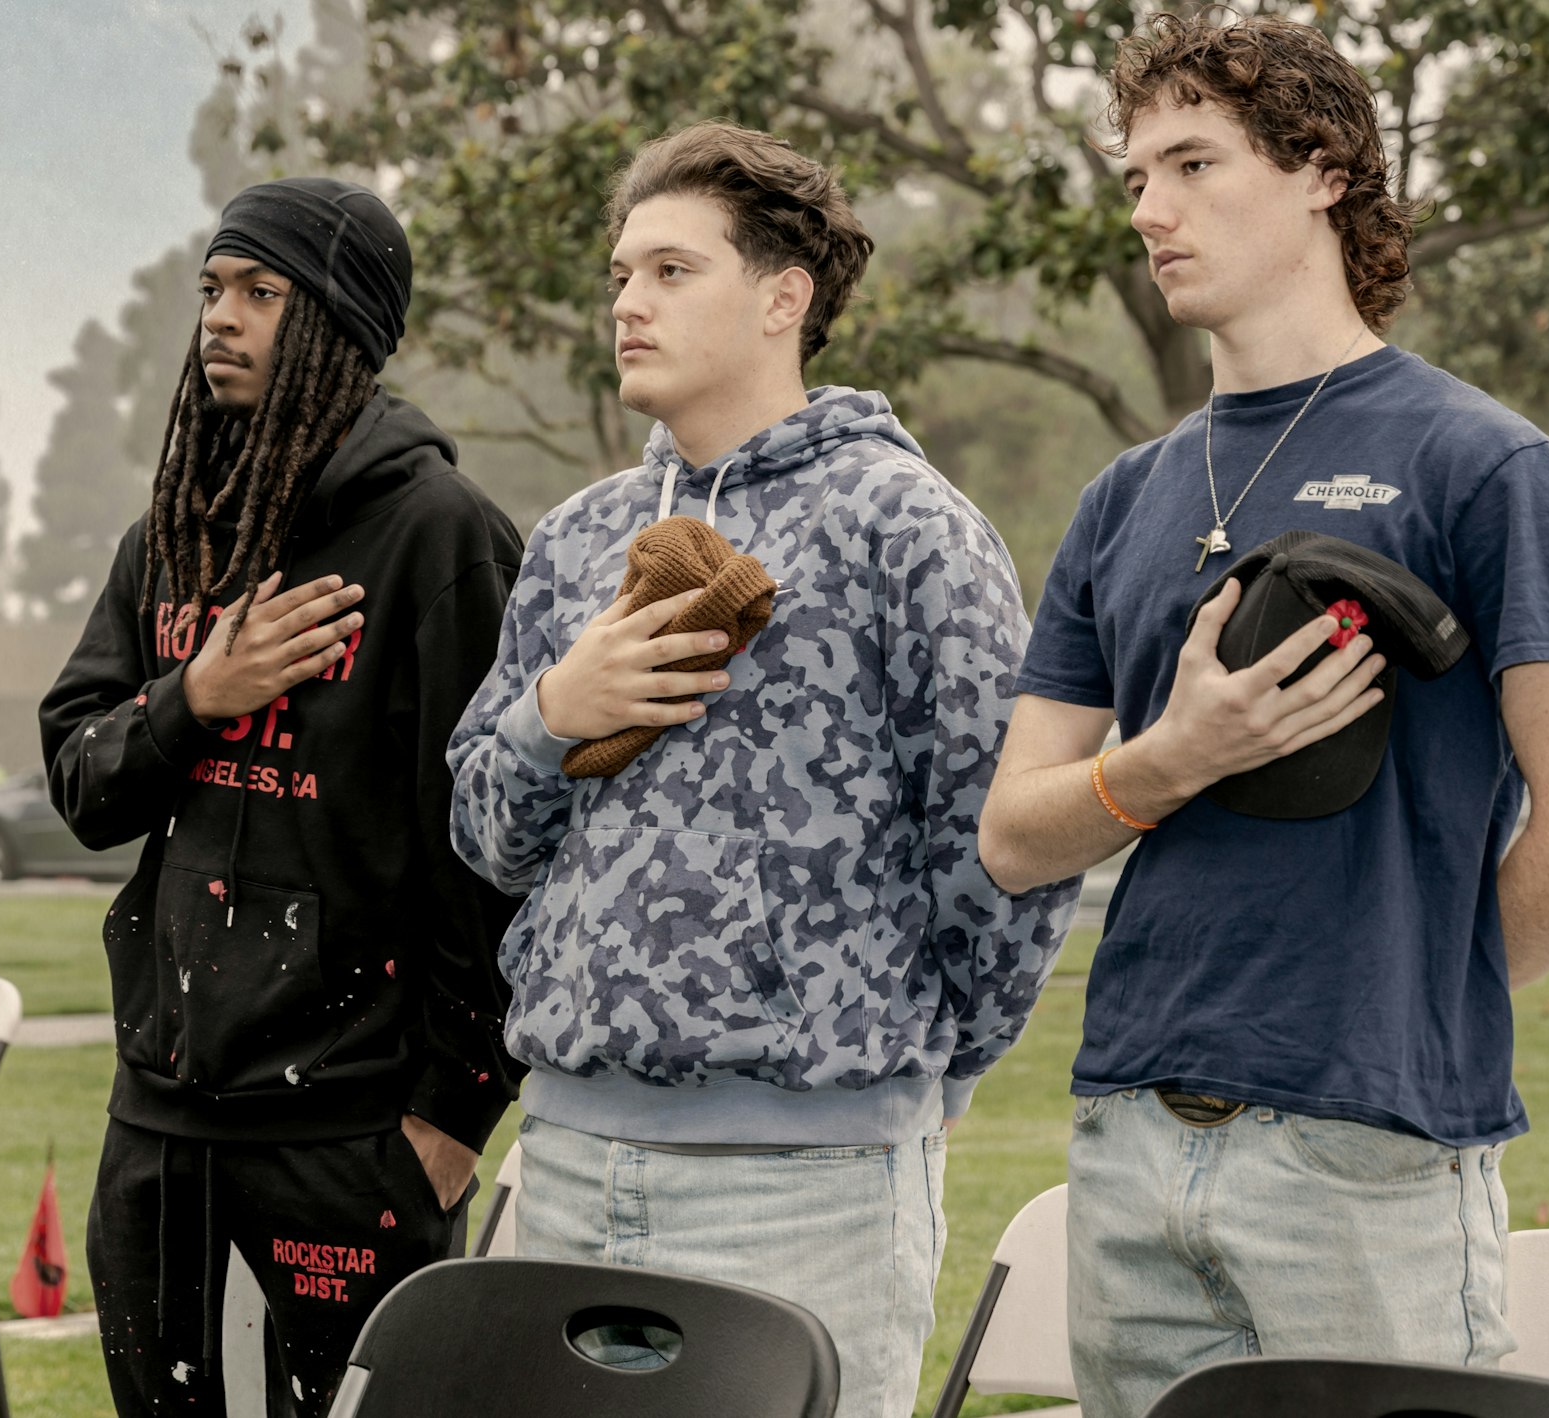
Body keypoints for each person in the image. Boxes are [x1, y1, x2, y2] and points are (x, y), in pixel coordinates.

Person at [975, 15, 1549, 1417]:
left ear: (1323, 170)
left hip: (1368, 1156)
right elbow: (1012, 835)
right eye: (1134, 178)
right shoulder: (1124, 496)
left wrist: (1404, 1002)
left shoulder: (1481, 463)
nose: (1150, 210)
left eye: (1192, 163)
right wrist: (1169, 761)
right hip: (1128, 1130)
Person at [448, 121, 1077, 1418]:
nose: (628, 300)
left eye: (672, 270)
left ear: (784, 295)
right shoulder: (576, 543)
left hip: (810, 1191)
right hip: (566, 1160)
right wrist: (554, 714)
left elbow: (1005, 852)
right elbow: (485, 837)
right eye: (623, 273)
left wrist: (930, 1078)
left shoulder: (905, 529)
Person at [39, 177, 523, 1417]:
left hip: (348, 1135)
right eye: (213, 288)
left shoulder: (439, 533)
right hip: (158, 1126)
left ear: (341, 326)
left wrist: (455, 1113)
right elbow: (83, 779)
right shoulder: (176, 533)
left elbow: (492, 846)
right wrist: (194, 693)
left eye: (262, 292)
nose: (221, 317)